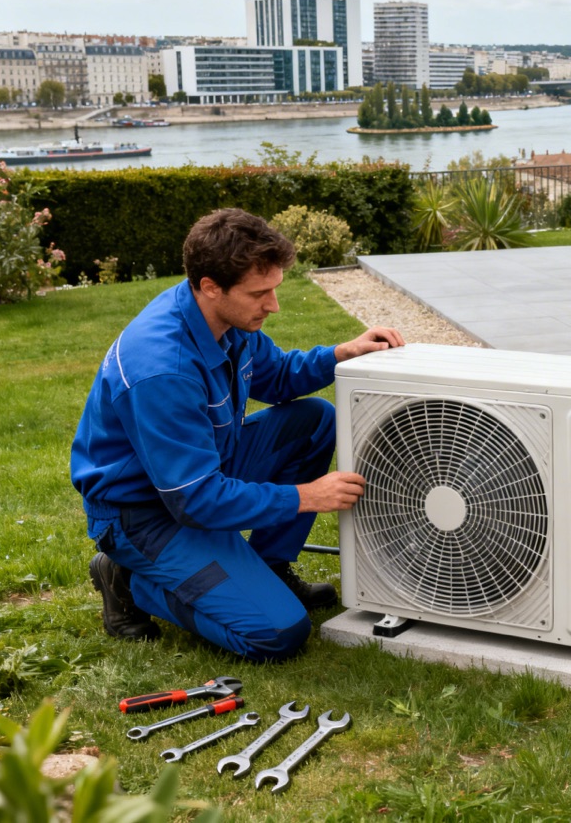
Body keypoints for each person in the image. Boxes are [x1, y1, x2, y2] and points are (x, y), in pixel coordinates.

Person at [71, 208, 405, 662]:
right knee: (277, 633)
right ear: (211, 286)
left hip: (197, 472)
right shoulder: (163, 370)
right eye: (259, 293)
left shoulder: (222, 320)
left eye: (274, 288)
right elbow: (196, 501)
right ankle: (129, 580)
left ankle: (268, 569)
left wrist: (341, 354)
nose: (273, 305)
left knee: (314, 421)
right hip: (143, 513)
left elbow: (277, 375)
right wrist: (307, 496)